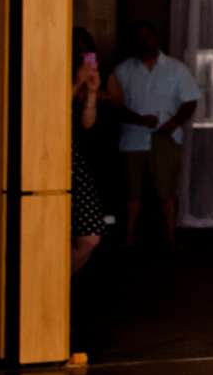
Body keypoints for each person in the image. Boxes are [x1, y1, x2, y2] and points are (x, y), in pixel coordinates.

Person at [105, 21, 201, 254]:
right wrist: (138, 119)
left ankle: (170, 236)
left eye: (148, 37)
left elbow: (190, 100)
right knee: (132, 192)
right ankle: (129, 236)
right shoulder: (123, 71)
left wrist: (174, 122)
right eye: (140, 37)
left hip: (165, 137)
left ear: (156, 39)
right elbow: (113, 104)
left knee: (166, 191)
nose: (144, 41)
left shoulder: (176, 69)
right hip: (133, 138)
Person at [69, 28, 109, 274]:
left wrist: (92, 92)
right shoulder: (50, 70)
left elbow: (87, 124)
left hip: (76, 160)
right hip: (48, 157)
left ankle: (59, 288)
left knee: (90, 236)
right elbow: (50, 115)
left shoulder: (83, 85)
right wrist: (75, 83)